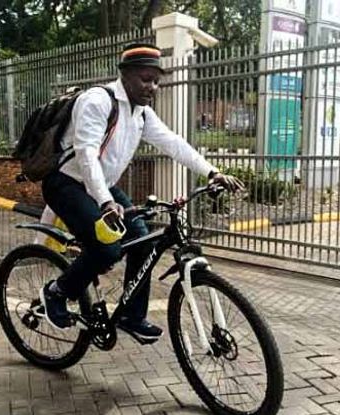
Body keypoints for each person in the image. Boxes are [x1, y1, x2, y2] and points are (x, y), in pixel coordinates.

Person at [40, 43, 244, 342]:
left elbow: (172, 142)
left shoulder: (141, 113)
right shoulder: (97, 101)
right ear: (125, 74)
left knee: (143, 241)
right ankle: (57, 292)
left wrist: (212, 172)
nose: (152, 87)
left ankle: (131, 316)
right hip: (67, 184)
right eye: (146, 79)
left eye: (156, 81)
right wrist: (106, 202)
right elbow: (86, 155)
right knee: (106, 249)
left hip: (102, 187)